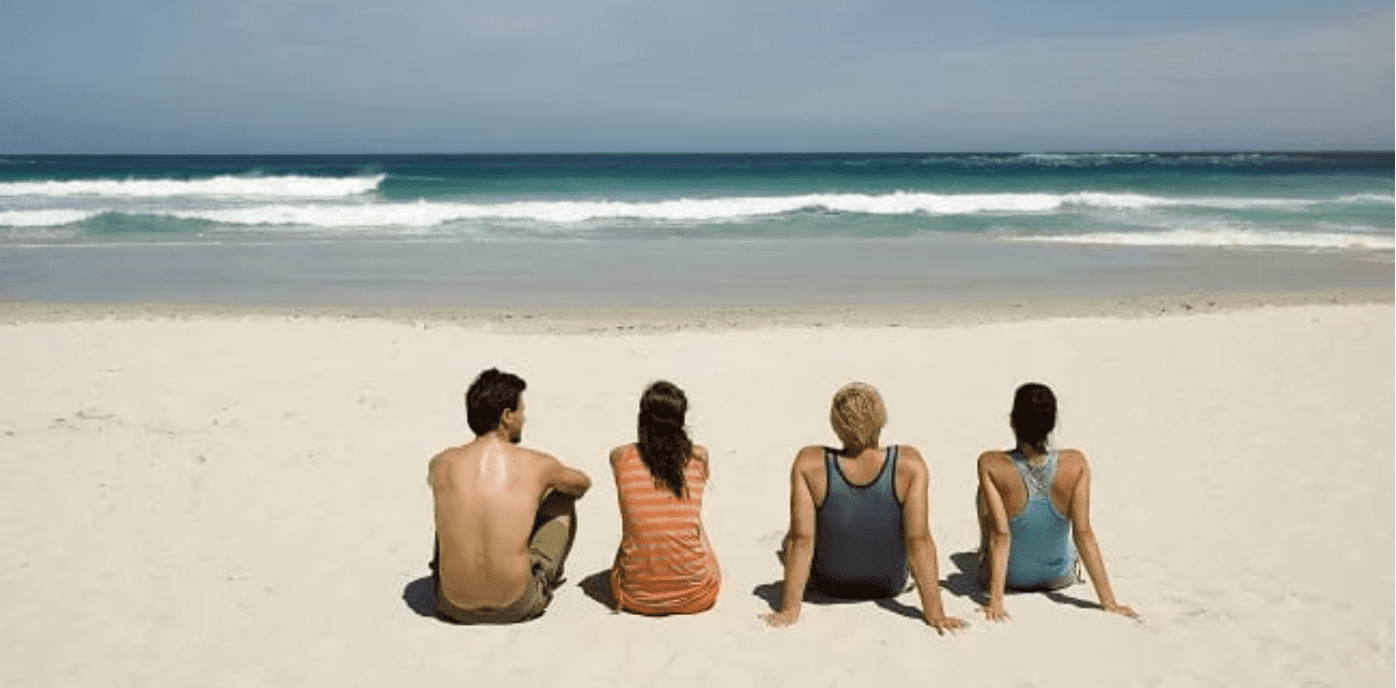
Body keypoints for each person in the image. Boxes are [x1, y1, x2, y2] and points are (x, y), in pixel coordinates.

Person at [763, 382, 966, 633]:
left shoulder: (809, 463)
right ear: (881, 419)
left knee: (790, 540)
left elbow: (802, 540)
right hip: (889, 584)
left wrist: (789, 609)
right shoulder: (909, 464)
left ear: (837, 425)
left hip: (831, 584)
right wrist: (936, 614)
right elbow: (919, 541)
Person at [427, 368, 592, 624]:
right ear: (506, 416)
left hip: (452, 605)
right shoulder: (538, 464)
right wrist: (540, 488)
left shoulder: (441, 463)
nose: (524, 418)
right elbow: (582, 484)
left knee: (454, 506)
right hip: (516, 604)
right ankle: (544, 576)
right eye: (521, 412)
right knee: (563, 497)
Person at [976, 382, 1137, 621]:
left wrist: (996, 600)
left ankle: (983, 555)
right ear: (1052, 424)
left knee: (984, 493)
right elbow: (1083, 533)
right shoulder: (1076, 462)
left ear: (1013, 421)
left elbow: (1001, 535)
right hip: (1059, 578)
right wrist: (1109, 602)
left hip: (1011, 580)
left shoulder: (990, 463)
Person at [608, 381, 721, 614]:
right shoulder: (699, 457)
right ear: (681, 422)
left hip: (635, 598)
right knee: (695, 525)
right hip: (698, 596)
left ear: (642, 420)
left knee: (638, 527)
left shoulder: (620, 457)